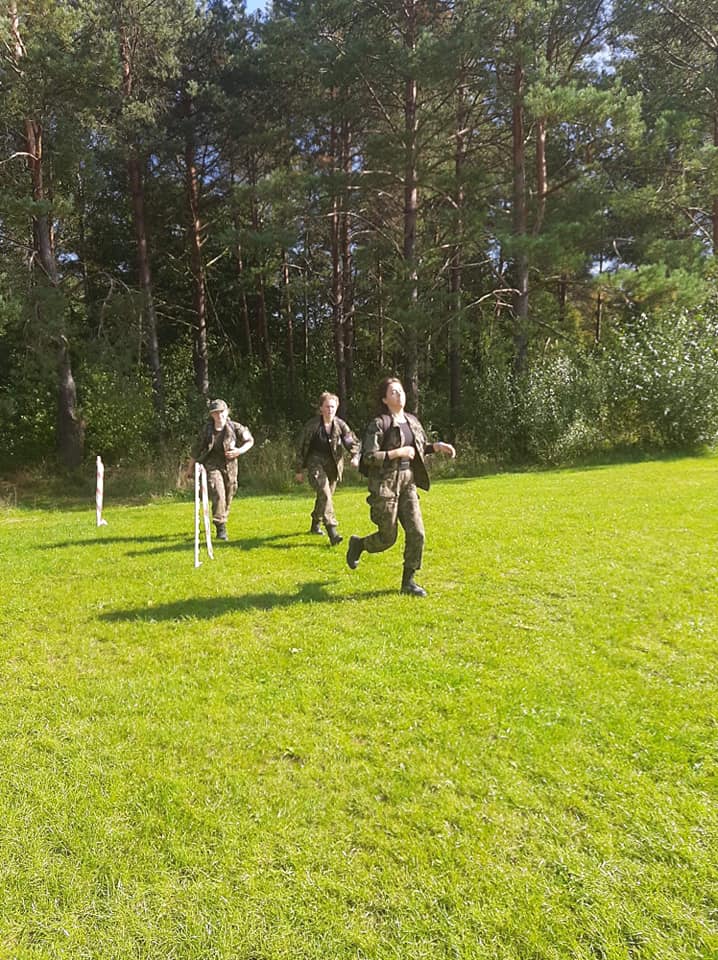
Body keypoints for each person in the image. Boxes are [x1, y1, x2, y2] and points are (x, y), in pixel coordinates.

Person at [346, 376, 456, 596]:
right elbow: (368, 456)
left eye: (401, 391)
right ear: (384, 399)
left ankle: (409, 582)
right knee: (388, 538)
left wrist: (437, 446)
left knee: (417, 533)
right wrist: (397, 453)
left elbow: (418, 448)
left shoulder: (412, 421)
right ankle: (359, 545)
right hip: (385, 484)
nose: (399, 395)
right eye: (393, 392)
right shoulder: (379, 423)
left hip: (408, 482)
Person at [295, 392, 360, 546]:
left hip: (333, 466)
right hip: (315, 463)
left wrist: (355, 456)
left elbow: (351, 442)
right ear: (321, 408)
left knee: (325, 496)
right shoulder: (312, 426)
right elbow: (300, 447)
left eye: (332, 407)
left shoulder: (341, 425)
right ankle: (332, 531)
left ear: (336, 408)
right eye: (327, 407)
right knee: (325, 493)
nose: (330, 410)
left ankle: (315, 524)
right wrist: (298, 470)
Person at [187, 399, 254, 540]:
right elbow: (196, 450)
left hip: (230, 467)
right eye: (215, 413)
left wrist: (239, 451)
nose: (219, 415)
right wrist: (190, 469)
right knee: (218, 492)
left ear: (227, 411)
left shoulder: (235, 427)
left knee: (229, 493)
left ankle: (222, 517)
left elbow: (249, 441)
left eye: (221, 412)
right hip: (211, 466)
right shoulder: (207, 430)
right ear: (212, 415)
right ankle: (220, 528)